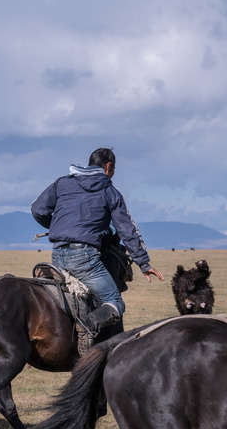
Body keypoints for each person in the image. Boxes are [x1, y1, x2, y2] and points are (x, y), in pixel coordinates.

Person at [31, 148, 163, 345]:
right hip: (85, 259)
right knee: (115, 301)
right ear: (108, 167)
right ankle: (87, 326)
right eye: (114, 169)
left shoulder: (62, 183)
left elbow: (37, 209)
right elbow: (127, 230)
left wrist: (59, 227)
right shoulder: (110, 192)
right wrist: (144, 264)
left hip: (57, 255)